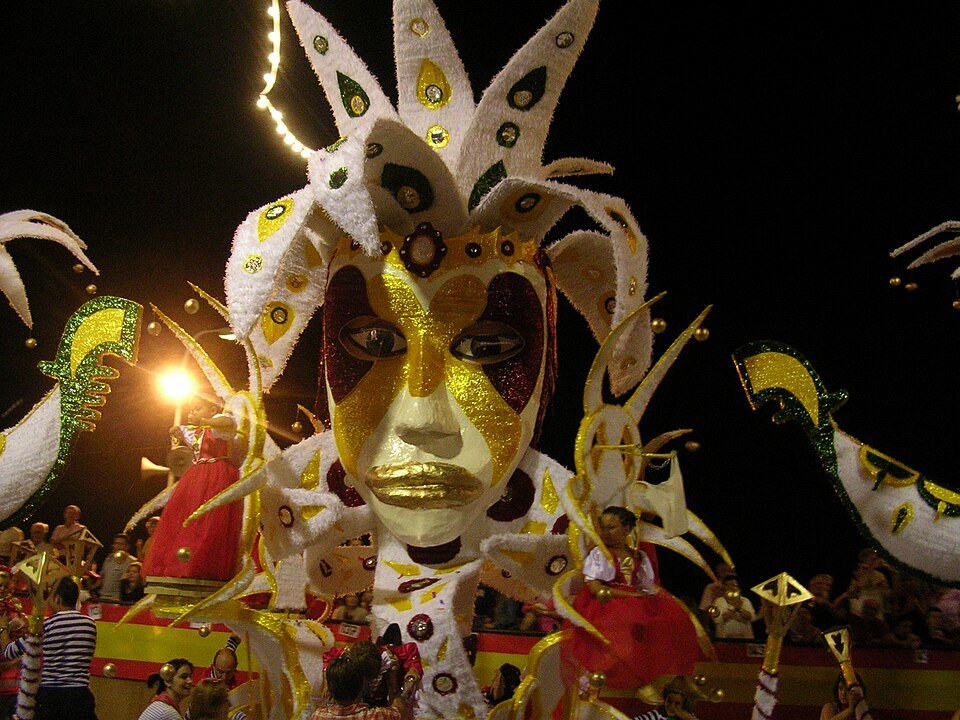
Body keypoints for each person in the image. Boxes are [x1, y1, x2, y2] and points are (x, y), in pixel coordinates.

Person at [564, 507, 699, 689]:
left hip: (634, 600)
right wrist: (630, 595)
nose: (605, 533)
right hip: (606, 603)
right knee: (628, 618)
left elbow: (647, 586)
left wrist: (655, 598)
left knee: (676, 619)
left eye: (611, 527)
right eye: (602, 528)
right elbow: (596, 588)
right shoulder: (600, 554)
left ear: (627, 530)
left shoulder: (639, 557)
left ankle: (671, 678)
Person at [144, 398, 243, 587]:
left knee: (210, 521)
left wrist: (206, 421)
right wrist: (177, 430)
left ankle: (205, 567)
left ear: (213, 409)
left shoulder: (218, 425)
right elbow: (183, 433)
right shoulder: (196, 431)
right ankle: (182, 567)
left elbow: (229, 423)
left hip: (216, 474)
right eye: (192, 410)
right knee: (187, 521)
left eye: (198, 408)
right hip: (196, 477)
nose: (193, 413)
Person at [2, 577, 98, 719]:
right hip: (81, 695)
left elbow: (9, 652)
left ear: (58, 599)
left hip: (50, 697)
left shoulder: (46, 626)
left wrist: (3, 626)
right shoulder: (90, 625)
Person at [312, 652, 402, 720]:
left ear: (329, 690)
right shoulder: (380, 715)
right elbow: (400, 711)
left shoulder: (318, 716)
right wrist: (392, 682)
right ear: (361, 687)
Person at [91, 533, 137, 602]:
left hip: (118, 599)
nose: (118, 546)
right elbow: (101, 578)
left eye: (121, 544)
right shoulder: (109, 559)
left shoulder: (132, 561)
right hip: (102, 597)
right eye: (116, 543)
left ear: (127, 546)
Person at [710, 574, 756, 640]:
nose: (730, 587)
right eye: (727, 585)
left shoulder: (745, 601)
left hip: (745, 640)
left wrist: (739, 609)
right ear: (724, 587)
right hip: (725, 640)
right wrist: (735, 610)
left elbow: (751, 617)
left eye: (733, 585)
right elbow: (719, 619)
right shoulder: (719, 601)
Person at [633, 682, 699, 720]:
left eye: (677, 703)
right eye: (669, 701)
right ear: (665, 700)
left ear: (683, 704)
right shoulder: (656, 714)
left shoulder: (688, 716)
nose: (671, 706)